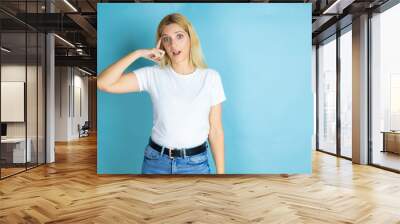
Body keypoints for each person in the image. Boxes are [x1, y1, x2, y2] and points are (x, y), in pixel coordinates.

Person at [97, 13, 226, 174]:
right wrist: (138, 54)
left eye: (179, 36)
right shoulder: (153, 74)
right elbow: (103, 83)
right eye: (166, 39)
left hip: (196, 165)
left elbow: (215, 131)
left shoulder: (210, 78)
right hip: (156, 163)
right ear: (162, 44)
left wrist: (221, 175)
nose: (173, 44)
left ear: (190, 38)